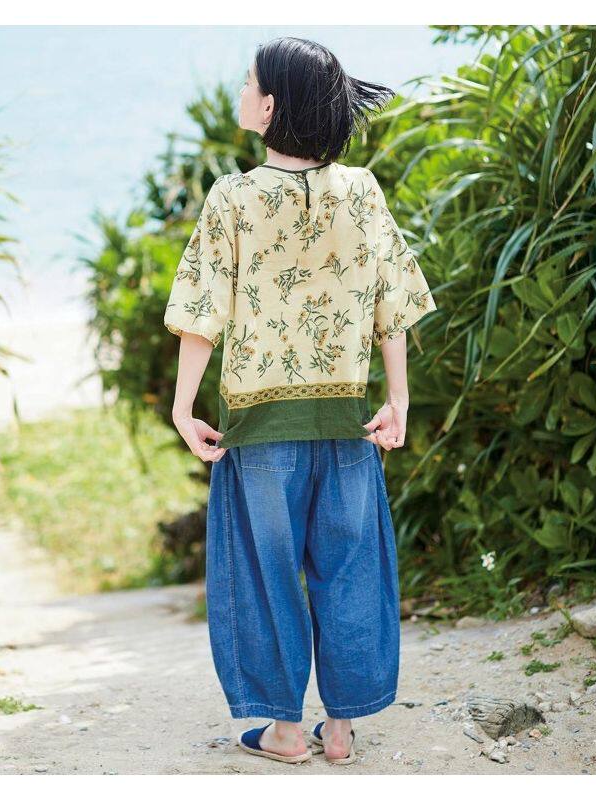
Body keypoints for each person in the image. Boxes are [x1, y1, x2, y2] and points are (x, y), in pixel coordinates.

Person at [164, 36, 437, 766]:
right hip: (348, 424)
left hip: (260, 432)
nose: (241, 91)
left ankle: (284, 731)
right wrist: (399, 399)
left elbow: (200, 314)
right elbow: (391, 305)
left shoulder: (233, 198)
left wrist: (184, 408)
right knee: (351, 569)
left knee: (263, 575)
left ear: (271, 107)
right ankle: (339, 729)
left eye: (247, 82)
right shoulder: (364, 191)